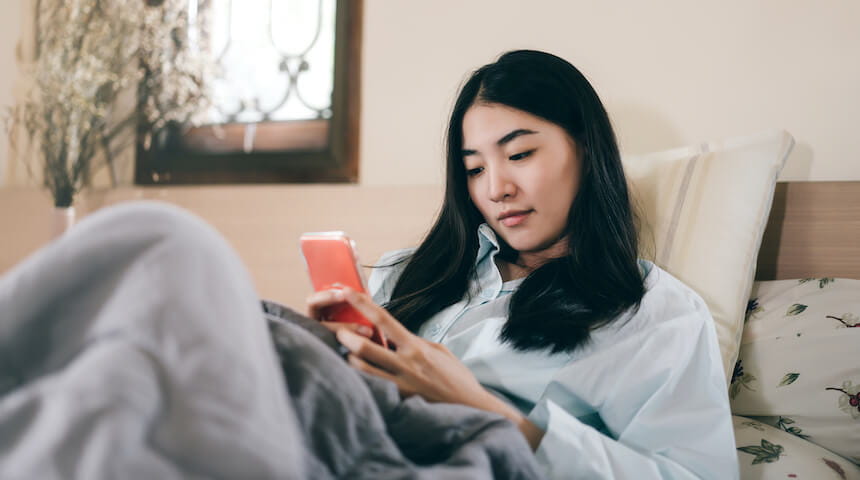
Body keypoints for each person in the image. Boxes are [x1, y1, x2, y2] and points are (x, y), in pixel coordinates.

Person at [307, 50, 738, 478]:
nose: (496, 189)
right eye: (474, 169)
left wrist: (479, 410)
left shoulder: (652, 314)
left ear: (586, 150)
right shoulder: (405, 275)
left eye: (518, 155)